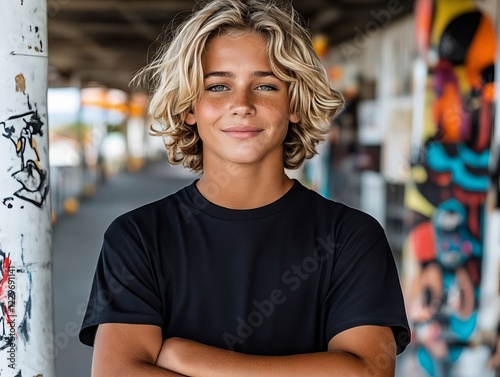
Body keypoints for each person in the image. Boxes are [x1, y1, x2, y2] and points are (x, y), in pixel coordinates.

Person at [79, 0, 410, 375]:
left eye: (266, 85)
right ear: (190, 107)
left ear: (294, 104)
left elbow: (367, 371)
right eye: (218, 86)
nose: (242, 105)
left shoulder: (351, 236)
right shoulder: (137, 237)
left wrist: (187, 358)